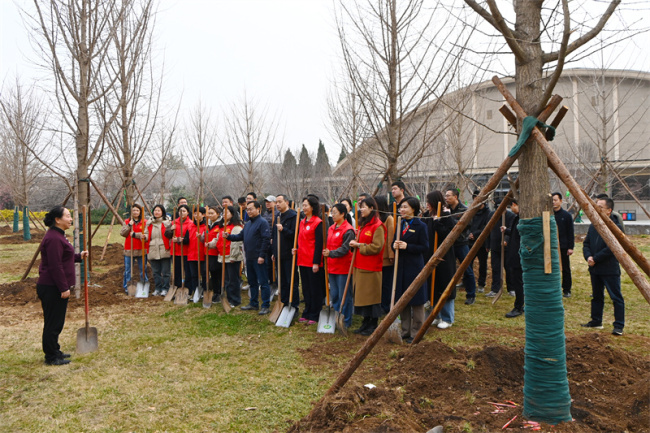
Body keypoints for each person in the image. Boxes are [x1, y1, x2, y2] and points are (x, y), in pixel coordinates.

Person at [37, 206, 88, 365]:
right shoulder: (53, 238)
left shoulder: (58, 236)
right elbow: (55, 265)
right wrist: (63, 288)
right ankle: (51, 357)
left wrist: (78, 256)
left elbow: (63, 257)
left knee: (57, 322)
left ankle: (55, 350)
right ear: (57, 220)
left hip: (55, 286)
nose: (71, 219)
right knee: (53, 323)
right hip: (52, 287)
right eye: (67, 216)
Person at [582, 197, 625, 336]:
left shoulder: (615, 227)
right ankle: (596, 321)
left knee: (616, 297)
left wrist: (596, 258)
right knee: (596, 296)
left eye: (600, 207)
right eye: (596, 206)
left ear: (609, 211)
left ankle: (618, 325)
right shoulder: (593, 224)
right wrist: (588, 256)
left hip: (609, 268)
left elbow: (611, 248)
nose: (596, 209)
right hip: (594, 268)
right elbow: (586, 243)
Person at [392, 197, 429, 341]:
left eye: (405, 207)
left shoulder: (421, 226)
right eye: (401, 207)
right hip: (400, 266)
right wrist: (393, 246)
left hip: (414, 266)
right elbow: (393, 243)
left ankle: (416, 332)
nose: (401, 210)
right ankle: (405, 330)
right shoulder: (400, 224)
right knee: (403, 299)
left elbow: (425, 247)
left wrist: (408, 247)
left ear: (413, 209)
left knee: (416, 299)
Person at [226, 200, 271, 314]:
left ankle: (265, 305)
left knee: (263, 282)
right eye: (248, 209)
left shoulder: (262, 222)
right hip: (249, 257)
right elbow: (241, 236)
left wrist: (262, 255)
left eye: (251, 209)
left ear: (258, 209)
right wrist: (229, 236)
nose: (249, 211)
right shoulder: (248, 224)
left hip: (259, 257)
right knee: (252, 281)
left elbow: (266, 240)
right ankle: (253, 303)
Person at [349, 197, 385, 336]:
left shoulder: (378, 226)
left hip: (371, 268)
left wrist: (359, 246)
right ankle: (365, 322)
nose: (361, 209)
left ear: (371, 208)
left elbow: (377, 247)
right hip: (359, 266)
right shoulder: (363, 225)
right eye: (360, 207)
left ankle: (373, 323)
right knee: (362, 297)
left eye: (363, 207)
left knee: (371, 297)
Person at [424, 191, 456, 329]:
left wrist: (438, 222)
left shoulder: (446, 215)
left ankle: (447, 318)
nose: (426, 205)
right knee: (433, 286)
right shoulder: (426, 216)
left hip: (444, 257)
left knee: (444, 286)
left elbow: (448, 235)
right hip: (430, 255)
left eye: (428, 202)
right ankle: (435, 315)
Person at [323, 203, 355, 328]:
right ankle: (336, 318)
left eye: (335, 212)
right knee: (335, 295)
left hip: (343, 268)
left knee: (344, 296)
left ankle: (346, 320)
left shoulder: (348, 230)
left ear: (343, 214)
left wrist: (331, 253)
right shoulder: (331, 228)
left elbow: (345, 249)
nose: (333, 215)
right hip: (332, 267)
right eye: (332, 212)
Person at [295, 196, 325, 324]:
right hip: (302, 260)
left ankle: (315, 313)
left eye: (306, 205)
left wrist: (316, 262)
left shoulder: (318, 222)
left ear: (312, 207)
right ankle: (306, 311)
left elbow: (319, 244)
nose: (304, 207)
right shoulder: (301, 222)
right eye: (303, 205)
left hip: (313, 261)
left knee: (315, 288)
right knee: (306, 288)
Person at [445, 188, 476, 304]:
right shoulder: (446, 209)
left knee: (467, 269)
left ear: (455, 197)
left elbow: (466, 225)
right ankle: (450, 294)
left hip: (461, 243)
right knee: (450, 269)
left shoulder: (464, 210)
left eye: (448, 196)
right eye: (446, 196)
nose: (446, 198)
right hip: (449, 244)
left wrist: (450, 219)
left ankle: (471, 295)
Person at [273, 194, 299, 314]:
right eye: (276, 202)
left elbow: (295, 235)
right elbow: (274, 236)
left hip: (289, 254)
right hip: (279, 254)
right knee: (281, 280)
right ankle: (283, 301)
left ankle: (293, 304)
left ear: (286, 202)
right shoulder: (277, 216)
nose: (277, 204)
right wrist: (274, 252)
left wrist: (284, 229)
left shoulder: (293, 216)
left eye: (280, 201)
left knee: (291, 281)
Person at [485, 198, 515, 297]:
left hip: (507, 247)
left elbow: (512, 230)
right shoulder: (491, 215)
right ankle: (495, 289)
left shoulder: (511, 216)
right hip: (494, 246)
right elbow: (488, 230)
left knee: (509, 268)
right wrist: (488, 244)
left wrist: (506, 239)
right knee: (496, 268)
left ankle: (511, 288)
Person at [217, 205, 244, 307]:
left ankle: (235, 300)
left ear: (232, 214)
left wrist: (233, 256)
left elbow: (236, 244)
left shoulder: (236, 227)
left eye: (226, 212)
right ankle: (228, 298)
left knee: (233, 280)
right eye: (223, 212)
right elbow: (218, 239)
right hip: (223, 256)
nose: (224, 214)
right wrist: (210, 244)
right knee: (226, 279)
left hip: (232, 257)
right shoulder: (223, 226)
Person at [164, 205, 194, 294]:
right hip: (175, 251)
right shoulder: (173, 223)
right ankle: (177, 287)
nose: (182, 213)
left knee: (187, 271)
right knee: (177, 271)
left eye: (184, 211)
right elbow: (167, 235)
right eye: (180, 211)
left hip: (185, 251)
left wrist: (178, 240)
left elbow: (189, 238)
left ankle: (188, 289)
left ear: (188, 212)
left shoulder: (190, 223)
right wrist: (170, 230)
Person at [502, 199, 524, 318]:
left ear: (515, 205)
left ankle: (518, 307)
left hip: (518, 255)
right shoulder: (518, 217)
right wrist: (507, 231)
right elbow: (516, 233)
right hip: (516, 254)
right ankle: (521, 304)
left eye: (511, 207)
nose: (511, 209)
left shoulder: (521, 218)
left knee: (518, 282)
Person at [120, 204, 149, 294]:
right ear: (131, 212)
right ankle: (127, 287)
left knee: (143, 269)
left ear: (140, 212)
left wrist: (137, 234)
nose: (135, 212)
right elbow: (122, 233)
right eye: (134, 210)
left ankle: (144, 285)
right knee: (128, 270)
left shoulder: (145, 222)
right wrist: (129, 225)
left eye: (137, 210)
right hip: (129, 249)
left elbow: (146, 235)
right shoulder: (127, 221)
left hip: (141, 248)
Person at [375, 195, 395, 314]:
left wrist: (391, 255)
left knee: (386, 283)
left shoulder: (389, 219)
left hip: (386, 257)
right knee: (378, 283)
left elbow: (390, 238)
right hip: (376, 256)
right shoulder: (375, 218)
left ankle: (385, 306)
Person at [552, 192, 575, 298]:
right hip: (551, 246)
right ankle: (554, 288)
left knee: (565, 268)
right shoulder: (549, 215)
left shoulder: (566, 216)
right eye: (552, 200)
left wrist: (571, 247)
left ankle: (567, 289)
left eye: (555, 200)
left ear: (561, 201)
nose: (553, 202)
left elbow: (570, 232)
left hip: (563, 246)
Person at [469, 190, 490, 293]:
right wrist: (469, 234)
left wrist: (475, 234)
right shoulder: (471, 211)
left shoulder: (488, 213)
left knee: (483, 264)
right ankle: (467, 281)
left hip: (482, 242)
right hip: (470, 241)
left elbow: (487, 227)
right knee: (468, 263)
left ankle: (481, 284)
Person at [147, 204, 171, 296]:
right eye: (155, 210)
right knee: (156, 272)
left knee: (166, 272)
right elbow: (146, 234)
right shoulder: (149, 223)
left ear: (162, 212)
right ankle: (158, 288)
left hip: (164, 248)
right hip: (153, 248)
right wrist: (144, 236)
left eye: (159, 210)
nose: (156, 212)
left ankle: (166, 288)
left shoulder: (167, 223)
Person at [204, 205, 223, 302]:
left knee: (218, 272)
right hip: (208, 252)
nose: (210, 215)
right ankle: (215, 291)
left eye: (212, 213)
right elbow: (205, 235)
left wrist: (212, 244)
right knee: (212, 272)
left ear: (218, 214)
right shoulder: (208, 224)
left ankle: (220, 292)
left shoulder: (220, 224)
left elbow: (219, 238)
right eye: (209, 213)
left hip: (217, 252)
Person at [263, 195, 280, 292]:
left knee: (276, 264)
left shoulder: (277, 214)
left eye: (269, 202)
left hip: (274, 241)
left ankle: (277, 282)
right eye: (266, 202)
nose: (267, 203)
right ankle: (271, 281)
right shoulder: (265, 214)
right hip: (266, 241)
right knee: (268, 264)